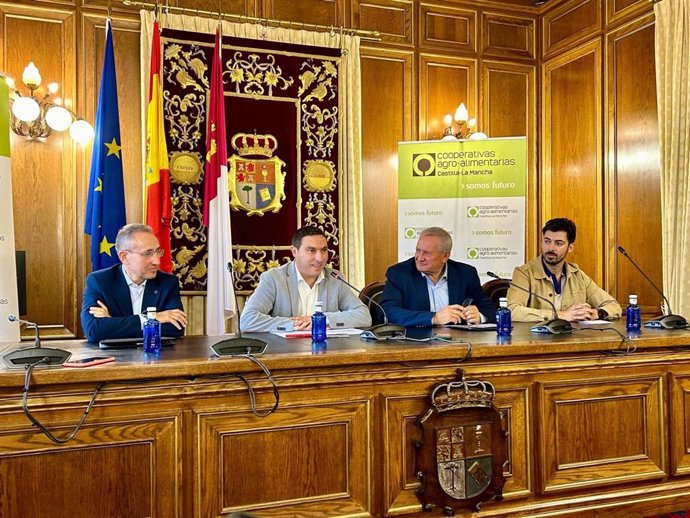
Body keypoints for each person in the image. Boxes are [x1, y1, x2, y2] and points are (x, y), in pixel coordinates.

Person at [240, 226, 372, 332]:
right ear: (294, 251)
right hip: (284, 353)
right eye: (311, 250)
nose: (320, 258)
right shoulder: (274, 279)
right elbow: (248, 320)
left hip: (327, 352)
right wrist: (296, 324)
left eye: (324, 250)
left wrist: (320, 320)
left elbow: (364, 316)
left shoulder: (335, 278)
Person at [81, 224, 187, 342]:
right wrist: (152, 318)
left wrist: (112, 323)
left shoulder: (167, 283)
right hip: (114, 358)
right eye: (148, 253)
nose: (157, 261)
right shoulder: (99, 281)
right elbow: (94, 331)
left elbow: (176, 328)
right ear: (124, 257)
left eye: (158, 251)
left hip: (155, 357)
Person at [507, 217, 622, 322]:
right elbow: (511, 311)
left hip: (572, 339)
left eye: (558, 243)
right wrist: (560, 315)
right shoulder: (524, 273)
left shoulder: (578, 275)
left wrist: (596, 313)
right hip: (537, 341)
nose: (550, 248)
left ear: (570, 247)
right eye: (547, 241)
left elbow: (614, 306)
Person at [380, 227, 496, 327]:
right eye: (418, 251)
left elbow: (490, 310)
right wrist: (434, 318)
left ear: (445, 256)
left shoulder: (466, 274)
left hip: (458, 344)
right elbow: (388, 312)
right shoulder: (399, 273)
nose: (420, 258)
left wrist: (479, 316)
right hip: (415, 344)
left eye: (427, 253)